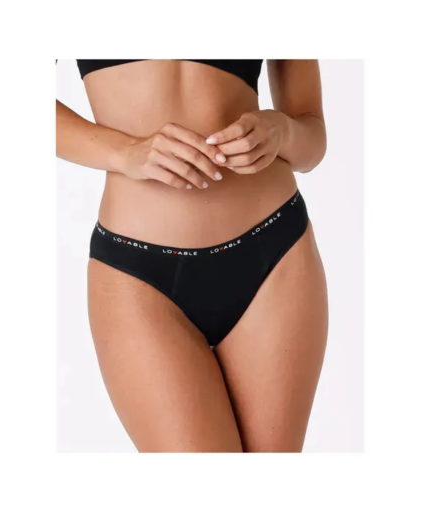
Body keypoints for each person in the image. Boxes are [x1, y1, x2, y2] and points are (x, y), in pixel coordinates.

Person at [56, 59, 328, 452]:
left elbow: (312, 139)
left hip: (274, 254)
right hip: (139, 275)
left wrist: (281, 131)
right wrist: (124, 152)